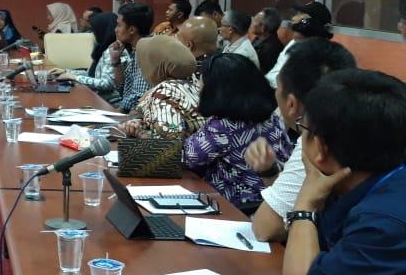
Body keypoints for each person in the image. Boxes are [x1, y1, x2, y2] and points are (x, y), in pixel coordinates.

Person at [280, 69, 406, 275]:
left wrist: (304, 206)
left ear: (320, 148)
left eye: (303, 129)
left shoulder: (384, 223)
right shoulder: (371, 181)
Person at [246, 39, 355, 242]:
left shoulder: (317, 139)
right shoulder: (353, 122)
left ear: (291, 103)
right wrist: (269, 171)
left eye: (277, 87)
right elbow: (292, 198)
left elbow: (266, 229)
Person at [182, 54, 290, 213]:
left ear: (214, 88)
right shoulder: (272, 117)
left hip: (237, 207)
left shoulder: (222, 127)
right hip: (271, 199)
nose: (198, 84)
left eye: (201, 78)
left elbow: (188, 157)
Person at [118, 36, 201, 140]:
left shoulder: (163, 93)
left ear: (154, 66)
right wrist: (144, 124)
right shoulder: (193, 84)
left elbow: (171, 137)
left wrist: (139, 132)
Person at [266, 0, 333, 88]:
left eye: (301, 14)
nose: (293, 18)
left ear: (313, 23)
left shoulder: (319, 52)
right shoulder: (294, 42)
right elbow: (276, 71)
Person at [65, 11, 122, 107]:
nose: (93, 34)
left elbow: (106, 84)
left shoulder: (115, 50)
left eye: (94, 30)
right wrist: (66, 72)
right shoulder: (103, 48)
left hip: (110, 104)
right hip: (99, 98)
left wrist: (74, 77)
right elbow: (92, 75)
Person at [109, 2, 154, 113]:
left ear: (132, 30)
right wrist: (115, 61)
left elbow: (139, 97)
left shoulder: (147, 51)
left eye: (119, 25)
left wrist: (116, 113)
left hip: (137, 116)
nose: (116, 30)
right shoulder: (135, 49)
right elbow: (123, 89)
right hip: (129, 112)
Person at [249, 7, 283, 75]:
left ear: (263, 28)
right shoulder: (260, 38)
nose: (251, 22)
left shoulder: (270, 50)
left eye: (255, 20)